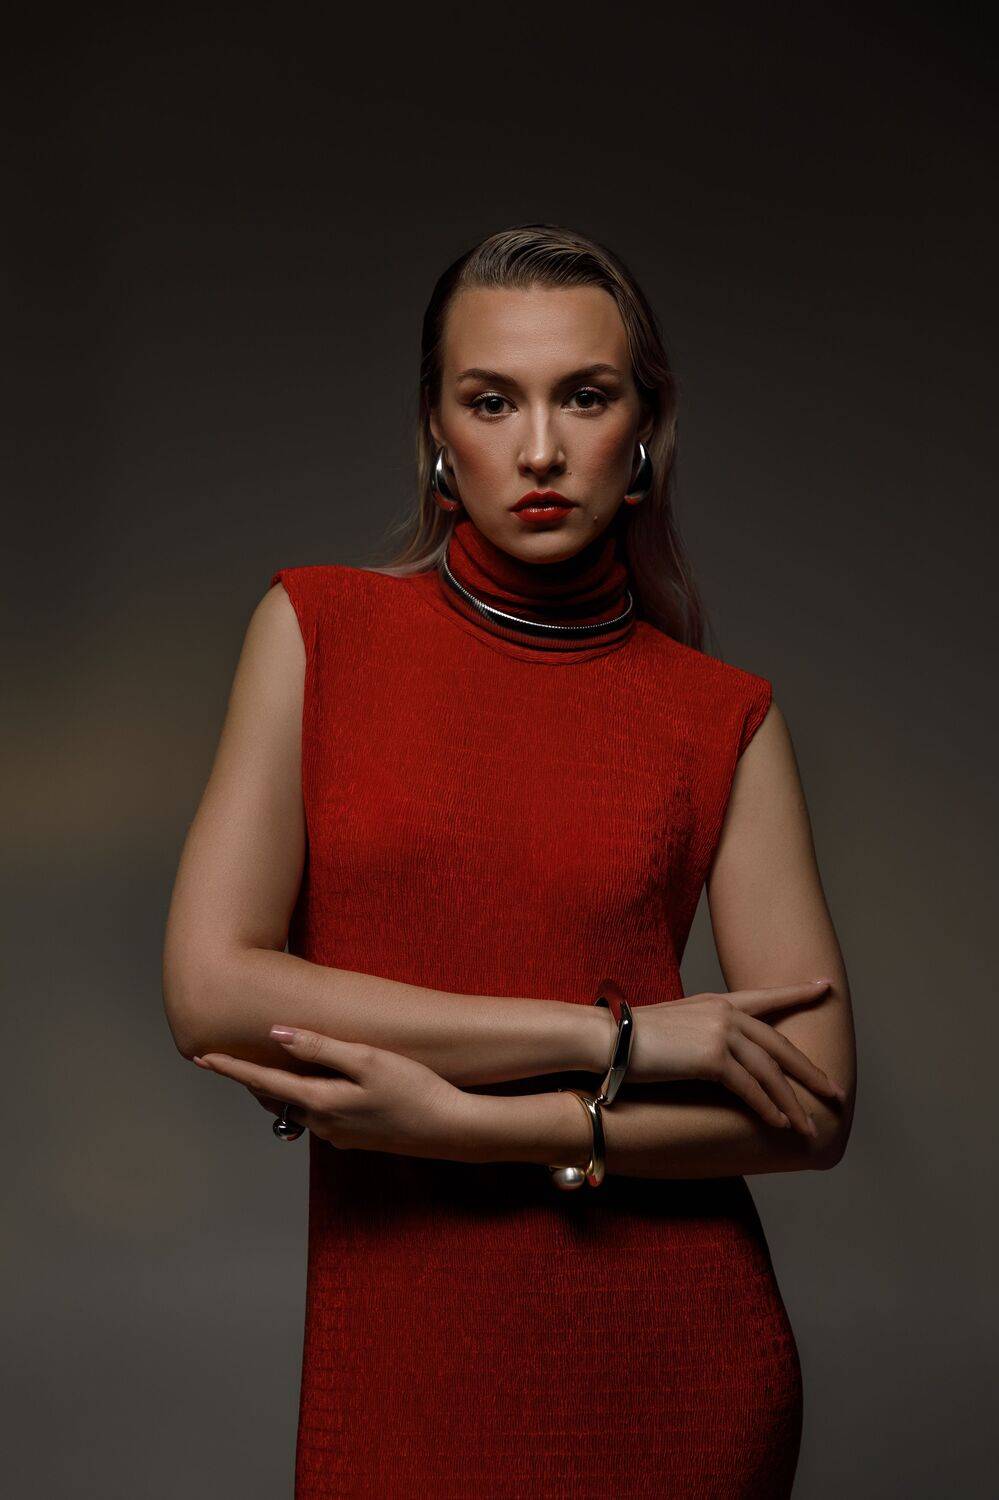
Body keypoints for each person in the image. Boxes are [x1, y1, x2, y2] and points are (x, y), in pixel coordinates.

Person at [162, 222, 856, 1498]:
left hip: (677, 1378)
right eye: (492, 401)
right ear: (437, 432)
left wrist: (472, 1128)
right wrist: (618, 1037)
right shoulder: (319, 631)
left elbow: (813, 1113)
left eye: (584, 397)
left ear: (644, 433)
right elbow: (211, 989)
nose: (540, 449)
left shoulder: (722, 717)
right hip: (405, 1369)